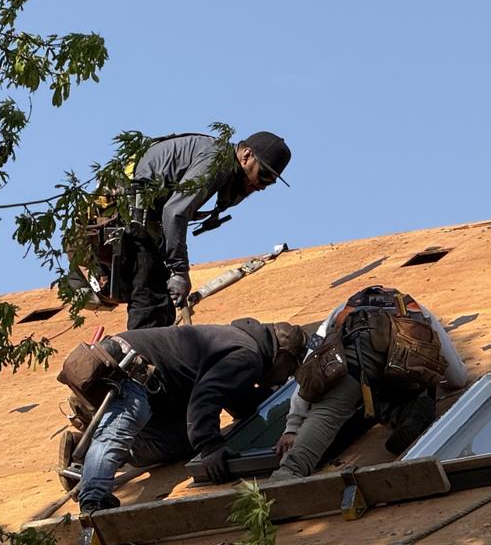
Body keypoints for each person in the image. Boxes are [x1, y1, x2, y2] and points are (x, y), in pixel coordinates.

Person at [74, 318, 307, 514]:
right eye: (290, 370)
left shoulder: (241, 346)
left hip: (154, 389)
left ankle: (86, 454)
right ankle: (93, 499)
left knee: (180, 443)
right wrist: (211, 446)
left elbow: (238, 401)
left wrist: (279, 401)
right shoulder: (248, 354)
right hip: (129, 369)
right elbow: (207, 394)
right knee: (123, 425)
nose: (285, 378)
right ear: (282, 354)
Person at [271, 286, 467, 480]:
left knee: (327, 413)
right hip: (406, 372)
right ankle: (407, 411)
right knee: (408, 381)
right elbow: (457, 378)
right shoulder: (417, 308)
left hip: (358, 365)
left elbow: (310, 366)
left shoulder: (340, 311)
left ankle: (288, 474)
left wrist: (293, 426)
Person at [125, 130, 291, 329]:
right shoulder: (218, 160)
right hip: (130, 219)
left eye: (269, 183)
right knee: (151, 303)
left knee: (162, 310)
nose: (261, 186)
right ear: (246, 156)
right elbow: (175, 213)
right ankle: (140, 354)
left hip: (142, 221)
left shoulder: (219, 160)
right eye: (263, 176)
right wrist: (179, 271)